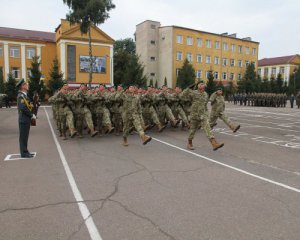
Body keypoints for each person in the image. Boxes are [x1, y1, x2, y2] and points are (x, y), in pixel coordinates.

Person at [181, 81, 224, 151]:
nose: (202, 85)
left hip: (202, 115)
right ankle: (189, 143)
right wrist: (188, 89)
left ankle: (214, 143)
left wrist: (206, 114)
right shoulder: (193, 93)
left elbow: (205, 105)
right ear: (198, 86)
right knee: (192, 131)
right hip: (194, 115)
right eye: (201, 84)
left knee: (207, 128)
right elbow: (182, 96)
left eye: (203, 84)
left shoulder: (205, 94)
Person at [16, 79, 36, 158]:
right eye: (26, 84)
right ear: (23, 86)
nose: (28, 86)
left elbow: (27, 106)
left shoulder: (24, 95)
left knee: (25, 136)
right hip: (23, 119)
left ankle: (25, 151)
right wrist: (31, 115)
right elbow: (23, 108)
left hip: (25, 119)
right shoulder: (20, 96)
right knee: (23, 137)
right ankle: (24, 153)